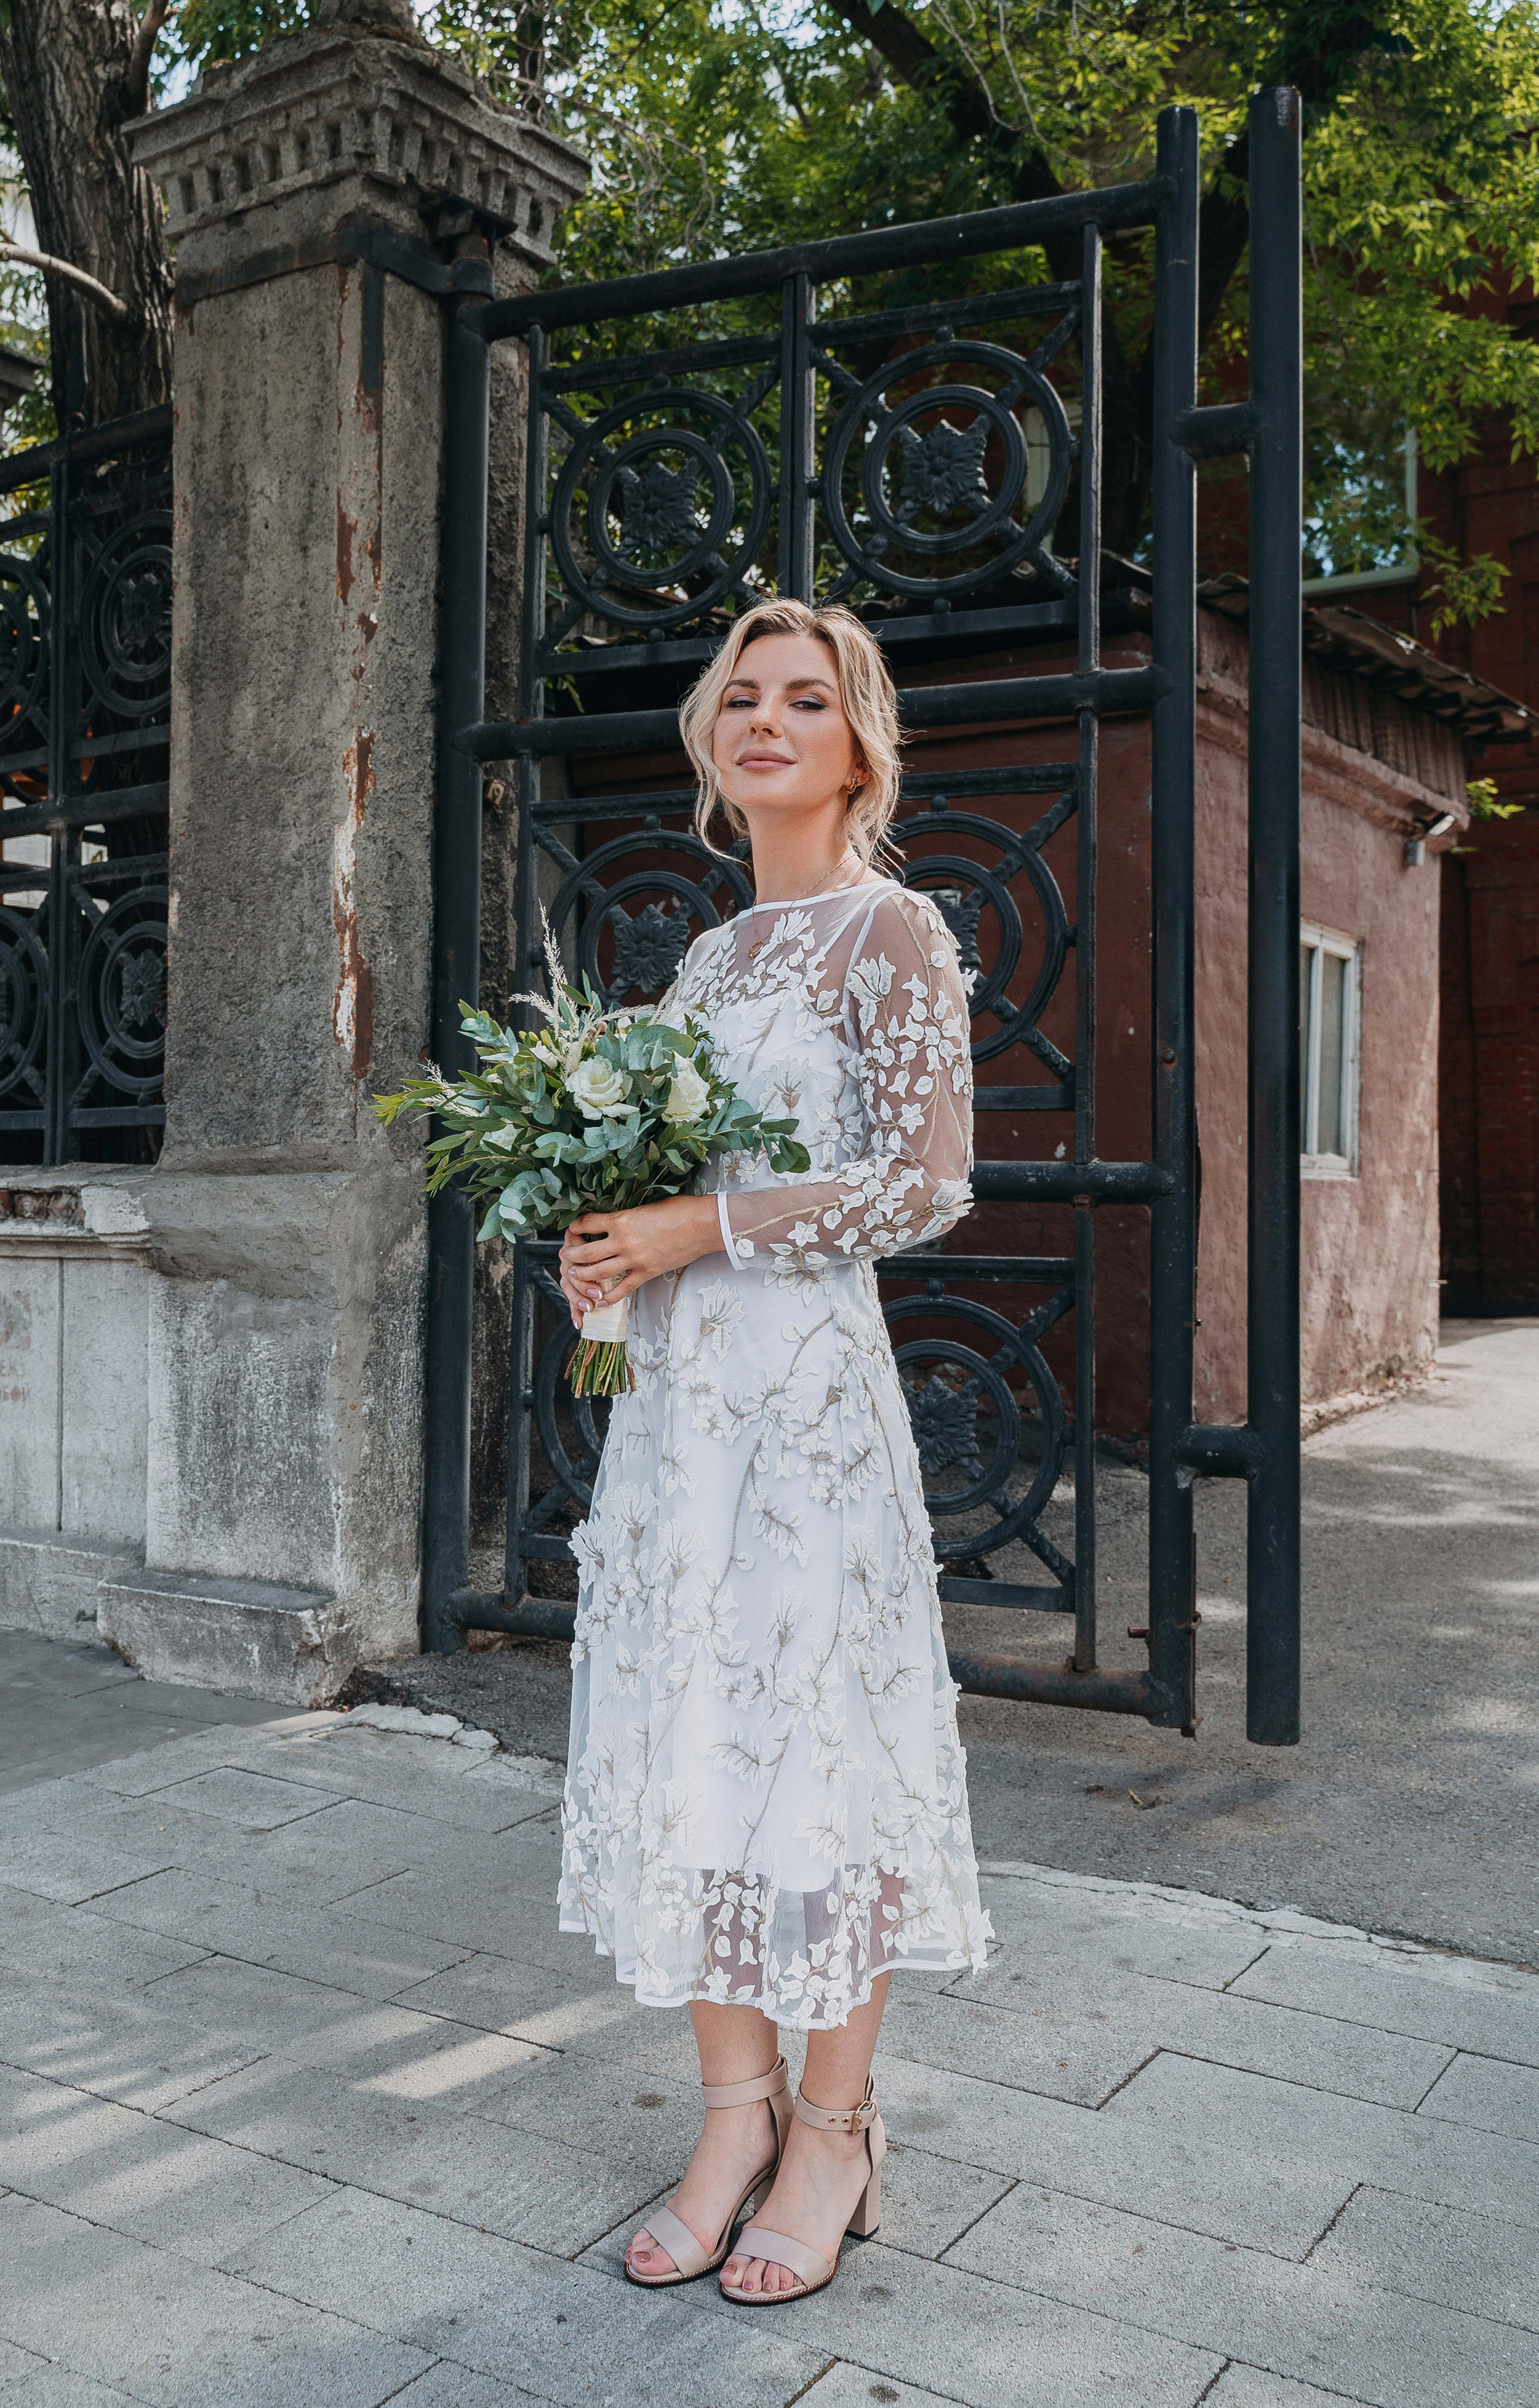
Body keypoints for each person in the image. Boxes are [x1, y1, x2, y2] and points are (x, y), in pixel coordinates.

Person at [555, 596, 991, 2308]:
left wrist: (699, 1225)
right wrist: (614, 1251)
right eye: (740, 698)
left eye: (804, 701)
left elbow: (927, 1183)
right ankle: (729, 2118)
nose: (765, 722)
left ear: (857, 747)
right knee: (692, 1737)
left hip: (807, 1417)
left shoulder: (891, 932)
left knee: (818, 1744)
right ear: (712, 745)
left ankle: (836, 2129)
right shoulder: (708, 958)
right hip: (682, 1419)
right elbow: (667, 1197)